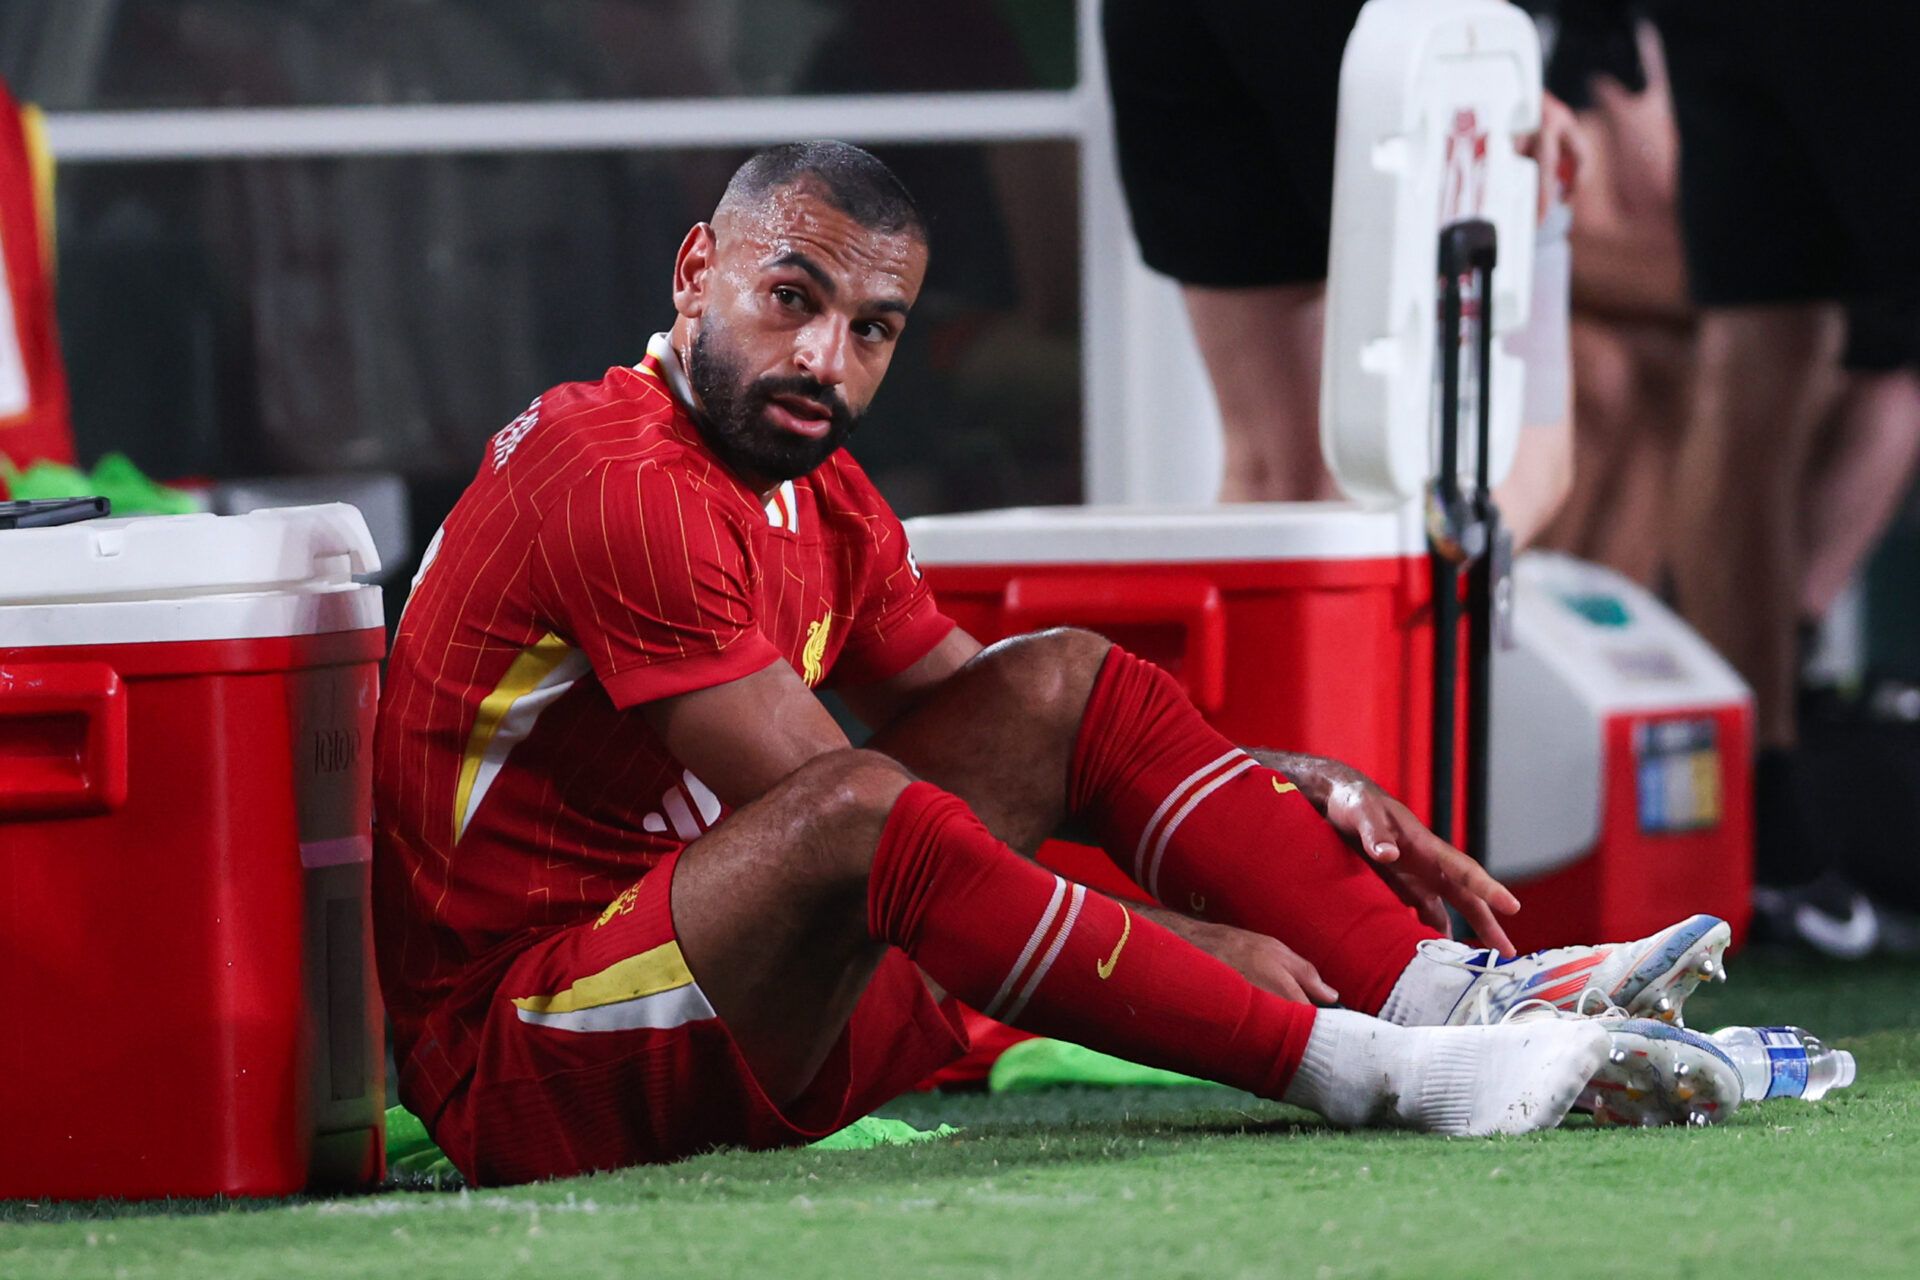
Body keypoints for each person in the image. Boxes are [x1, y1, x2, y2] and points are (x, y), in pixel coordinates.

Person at [373, 142, 1734, 1186]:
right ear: (694, 274)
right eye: (790, 298)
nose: (824, 360)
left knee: (1063, 679)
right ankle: (1382, 1070)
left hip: (722, 990)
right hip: (529, 1060)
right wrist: (1187, 945)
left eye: (871, 328)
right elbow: (859, 826)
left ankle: (1450, 991)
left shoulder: (815, 489)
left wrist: (1298, 786)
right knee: (862, 812)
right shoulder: (617, 479)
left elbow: (1029, 736)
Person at [1101, 0, 1583, 524]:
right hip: (1389, 33)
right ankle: (1391, 578)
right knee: (1509, 467)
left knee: (1276, 476)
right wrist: (1490, 78)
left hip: (1183, 24)